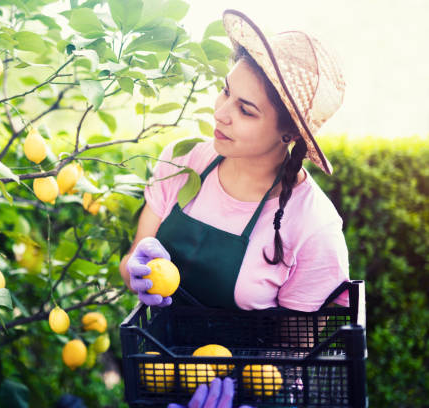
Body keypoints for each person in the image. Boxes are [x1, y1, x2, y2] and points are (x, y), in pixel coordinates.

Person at [119, 8, 350, 407]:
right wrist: (134, 271)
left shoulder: (312, 225)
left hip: (247, 395)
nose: (220, 112)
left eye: (246, 110)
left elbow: (295, 355)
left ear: (289, 133)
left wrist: (244, 399)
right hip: (160, 376)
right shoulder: (182, 160)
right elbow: (133, 263)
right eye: (226, 90)